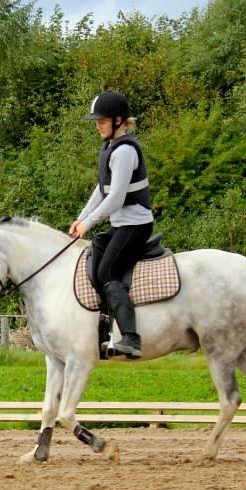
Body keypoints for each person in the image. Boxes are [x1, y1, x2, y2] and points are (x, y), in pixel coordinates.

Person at [69, 91, 154, 359]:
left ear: (118, 121)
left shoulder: (125, 151)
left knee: (107, 270)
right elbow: (101, 189)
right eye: (97, 121)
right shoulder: (109, 148)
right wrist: (81, 219)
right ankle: (103, 327)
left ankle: (131, 338)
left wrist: (90, 223)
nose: (97, 125)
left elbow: (115, 199)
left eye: (102, 121)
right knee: (95, 251)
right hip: (121, 225)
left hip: (135, 225)